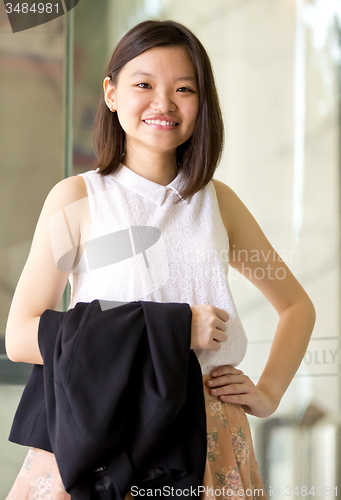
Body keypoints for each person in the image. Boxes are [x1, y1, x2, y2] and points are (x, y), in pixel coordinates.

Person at [5, 19, 315, 500]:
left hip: (210, 435)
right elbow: (21, 335)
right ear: (110, 93)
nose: (163, 103)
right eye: (143, 85)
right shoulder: (76, 199)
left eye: (184, 89)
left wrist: (270, 391)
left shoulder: (219, 203)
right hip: (103, 425)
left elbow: (296, 306)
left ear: (202, 103)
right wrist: (172, 330)